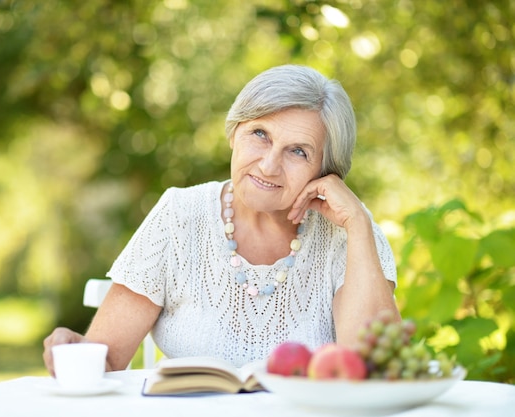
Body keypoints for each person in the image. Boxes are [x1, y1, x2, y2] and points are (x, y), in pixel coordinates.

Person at [43, 64, 400, 374]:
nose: (269, 165)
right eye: (260, 134)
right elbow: (105, 362)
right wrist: (72, 352)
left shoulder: (350, 230)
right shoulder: (179, 216)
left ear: (325, 172)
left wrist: (357, 226)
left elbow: (375, 369)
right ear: (234, 133)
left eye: (298, 151)